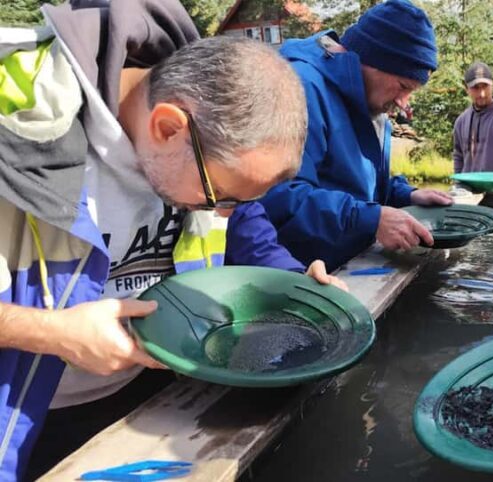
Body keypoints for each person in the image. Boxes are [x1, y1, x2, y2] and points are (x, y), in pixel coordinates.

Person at [0, 0, 341, 478]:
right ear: (167, 126)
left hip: (149, 398)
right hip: (24, 417)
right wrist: (52, 333)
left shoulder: (206, 135)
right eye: (218, 196)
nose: (223, 213)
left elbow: (244, 223)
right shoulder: (15, 120)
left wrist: (294, 282)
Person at [259, 0, 453, 271]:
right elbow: (279, 198)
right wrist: (370, 219)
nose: (403, 102)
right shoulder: (300, 89)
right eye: (403, 86)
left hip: (346, 266)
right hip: (297, 277)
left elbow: (357, 183)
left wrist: (406, 195)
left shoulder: (370, 99)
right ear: (373, 59)